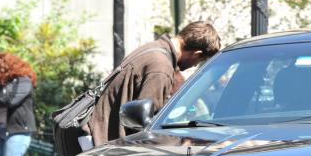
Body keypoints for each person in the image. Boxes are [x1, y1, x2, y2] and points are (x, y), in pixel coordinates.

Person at [88, 21, 221, 146]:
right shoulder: (161, 68)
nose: (195, 65)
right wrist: (183, 143)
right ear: (196, 54)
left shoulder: (153, 48)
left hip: (96, 135)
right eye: (199, 61)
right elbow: (148, 128)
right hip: (101, 142)